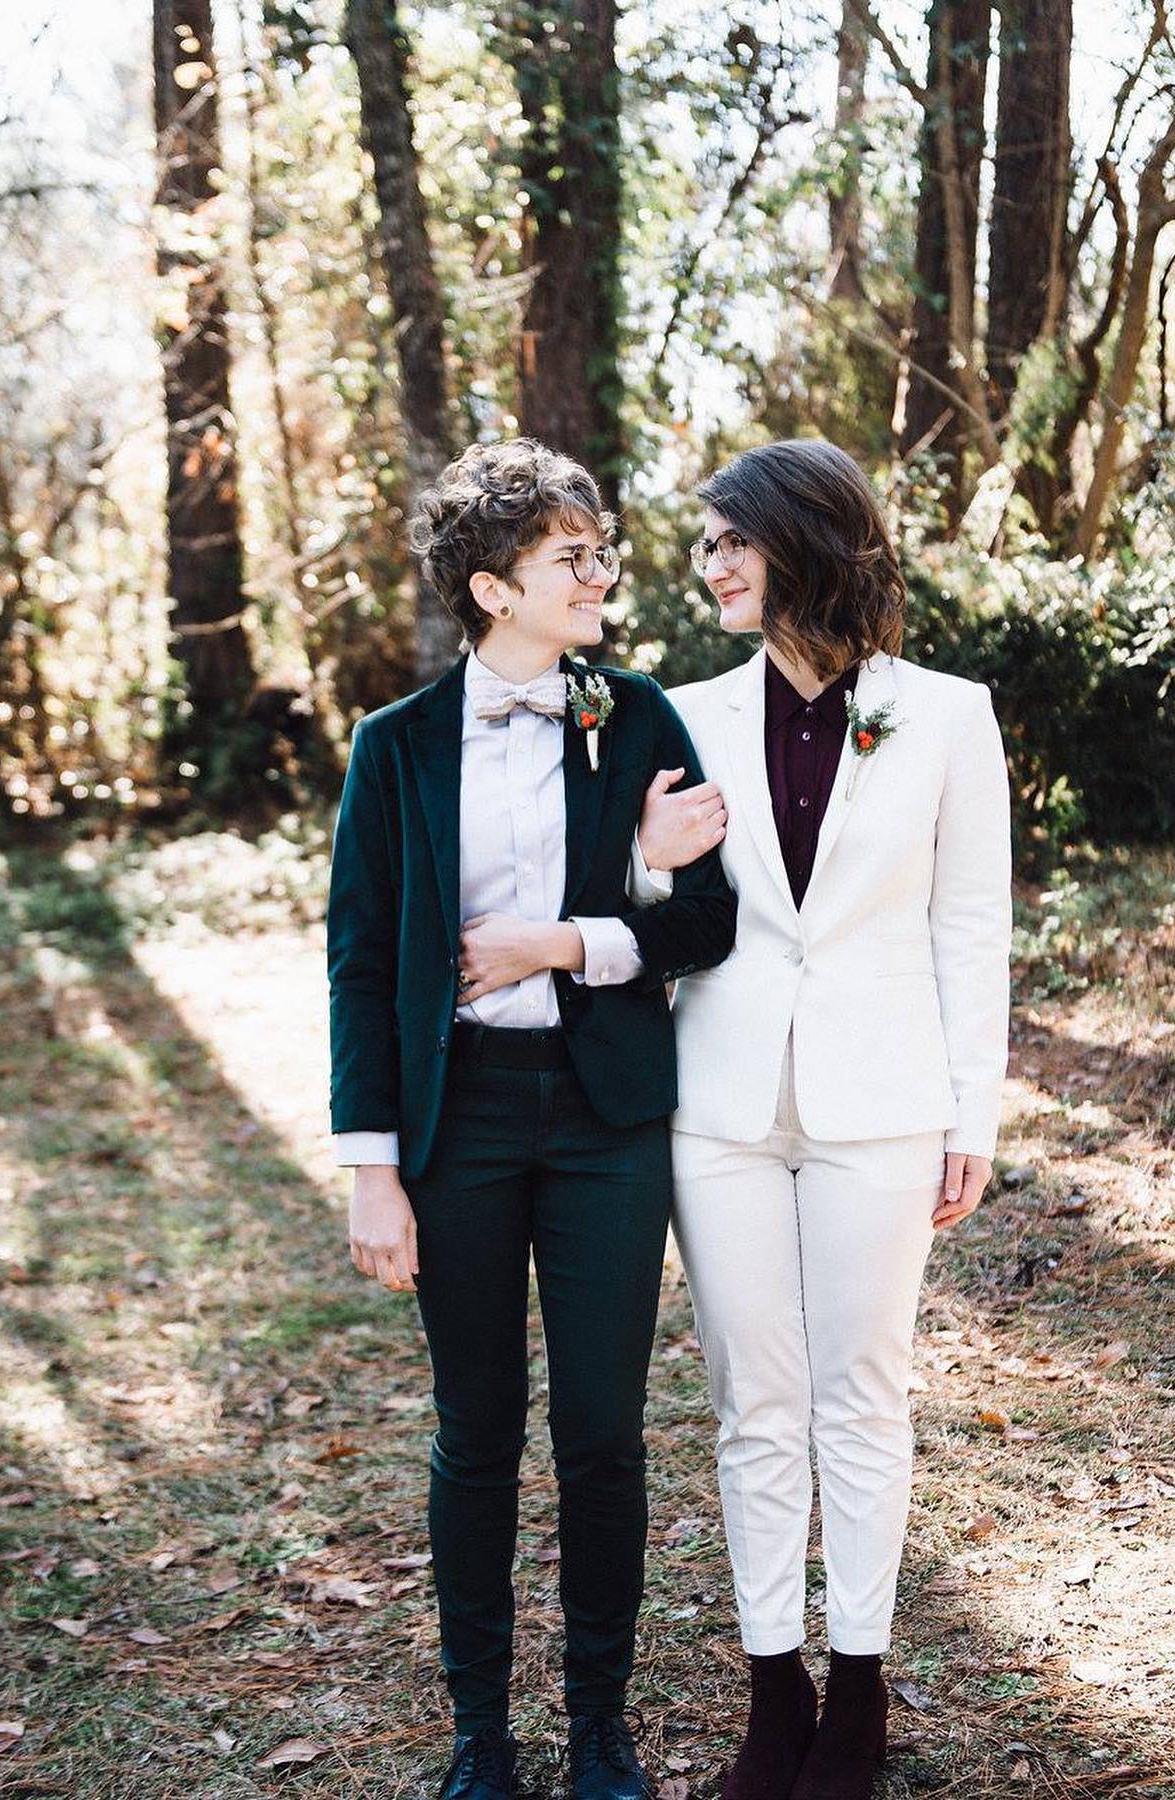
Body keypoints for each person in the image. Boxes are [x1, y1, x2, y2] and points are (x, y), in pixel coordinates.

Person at [327, 439, 737, 1800]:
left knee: (605, 1429)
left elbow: (709, 919)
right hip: (460, 1127)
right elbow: (361, 967)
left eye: (599, 550)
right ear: (496, 589)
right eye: (576, 558)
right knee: (477, 1428)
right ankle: (479, 1741)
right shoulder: (390, 753)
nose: (602, 574)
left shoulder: (639, 718)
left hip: (607, 1115)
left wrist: (564, 942)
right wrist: (370, 1172)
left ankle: (602, 1731)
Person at [632, 439, 1011, 1800]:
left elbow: (972, 926)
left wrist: (976, 1110)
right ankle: (766, 1688)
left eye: (730, 541)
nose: (709, 566)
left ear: (803, 543)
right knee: (751, 1398)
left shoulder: (951, 715)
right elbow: (650, 909)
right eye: (708, 545)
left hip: (887, 1099)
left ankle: (858, 1692)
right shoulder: (680, 715)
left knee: (862, 1392)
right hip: (720, 1104)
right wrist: (641, 858)